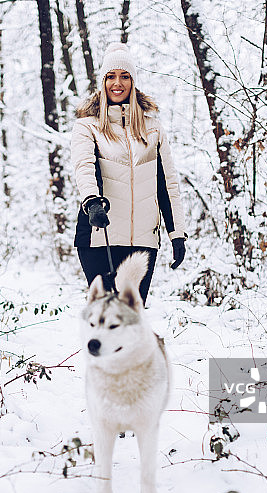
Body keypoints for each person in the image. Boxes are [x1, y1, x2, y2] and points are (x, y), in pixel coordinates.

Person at [71, 42, 187, 304]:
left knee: (131, 318)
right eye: (110, 76)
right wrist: (92, 202)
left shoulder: (153, 129)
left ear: (133, 82)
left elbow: (167, 185)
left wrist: (176, 233)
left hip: (143, 238)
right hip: (100, 233)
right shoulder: (87, 127)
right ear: (102, 82)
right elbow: (84, 167)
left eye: (124, 76)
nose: (117, 83)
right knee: (107, 315)